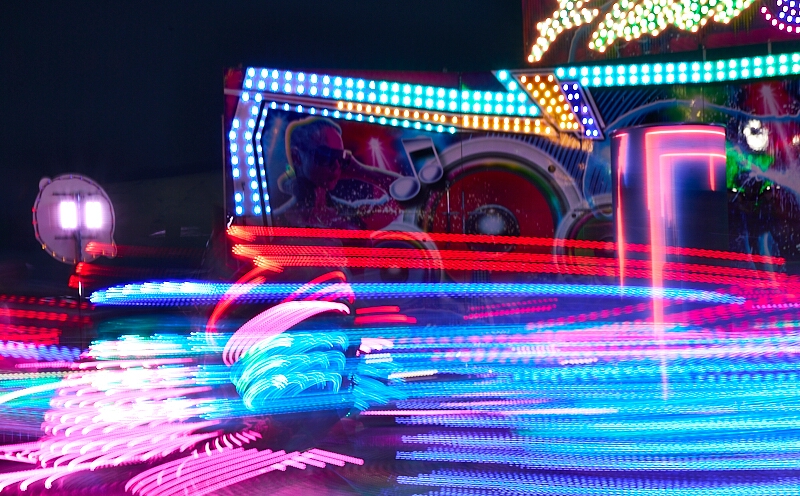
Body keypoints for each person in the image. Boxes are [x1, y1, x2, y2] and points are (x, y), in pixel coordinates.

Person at [274, 117, 402, 228]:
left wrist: (359, 170)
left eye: (340, 157)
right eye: (326, 154)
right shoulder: (278, 221)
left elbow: (406, 198)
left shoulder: (347, 214)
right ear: (297, 157)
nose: (336, 165)